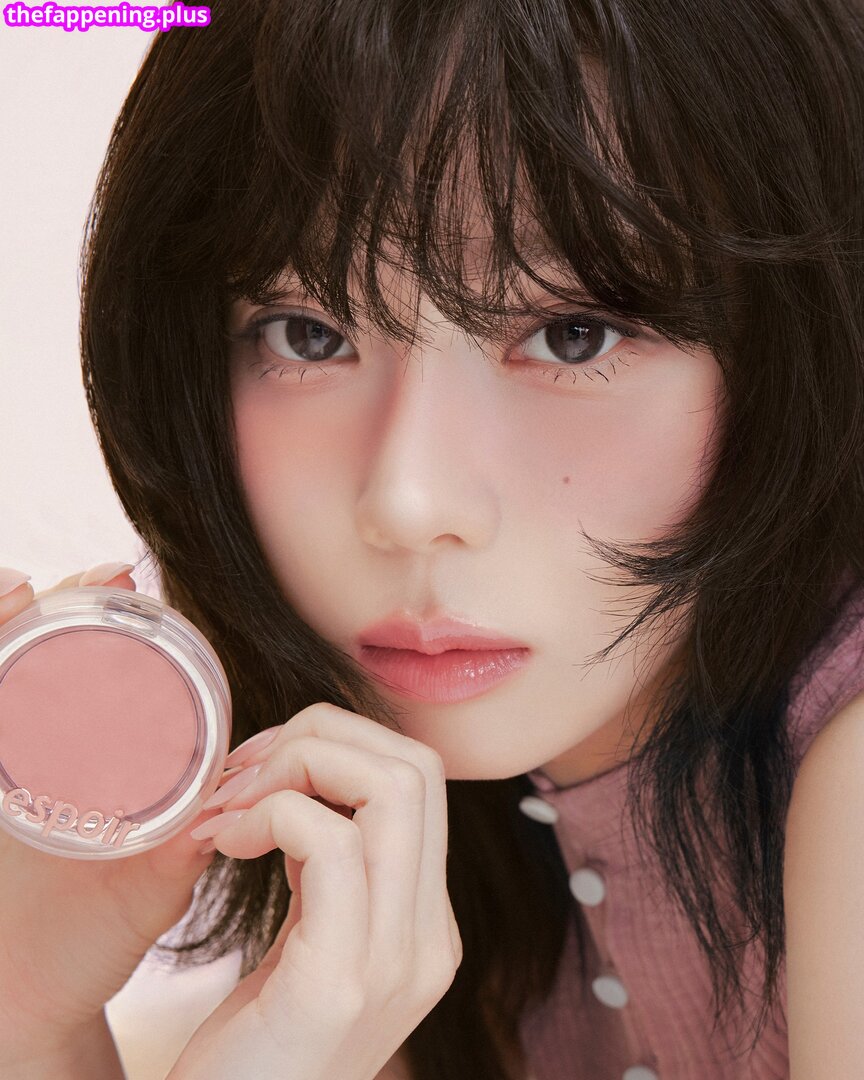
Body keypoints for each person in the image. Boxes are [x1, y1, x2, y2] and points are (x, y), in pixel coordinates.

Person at [2, 0, 864, 1076]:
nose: (407, 501)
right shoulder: (402, 806)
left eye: (573, 334)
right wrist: (29, 1001)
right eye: (307, 335)